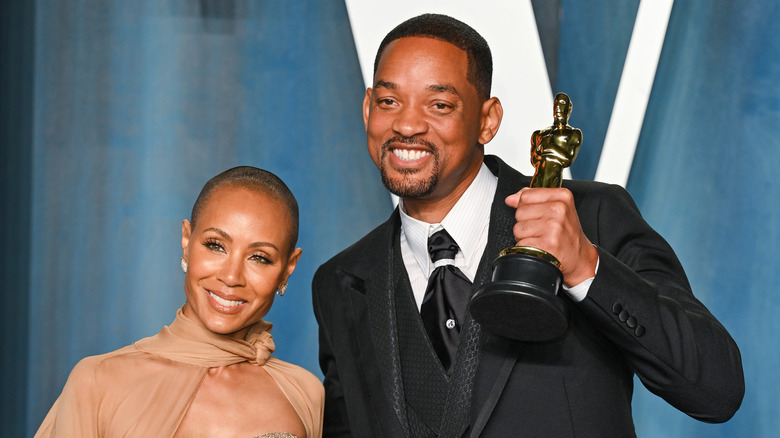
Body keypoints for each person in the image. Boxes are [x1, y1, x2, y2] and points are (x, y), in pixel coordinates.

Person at [312, 13, 744, 437]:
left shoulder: (591, 217)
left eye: (439, 104)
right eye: (389, 101)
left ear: (488, 120)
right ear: (369, 108)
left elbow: (716, 390)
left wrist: (586, 267)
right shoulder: (340, 282)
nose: (407, 124)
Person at [36, 166, 324, 438]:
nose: (231, 276)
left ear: (288, 267)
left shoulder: (305, 393)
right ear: (187, 241)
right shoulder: (97, 382)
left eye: (259, 258)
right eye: (216, 245)